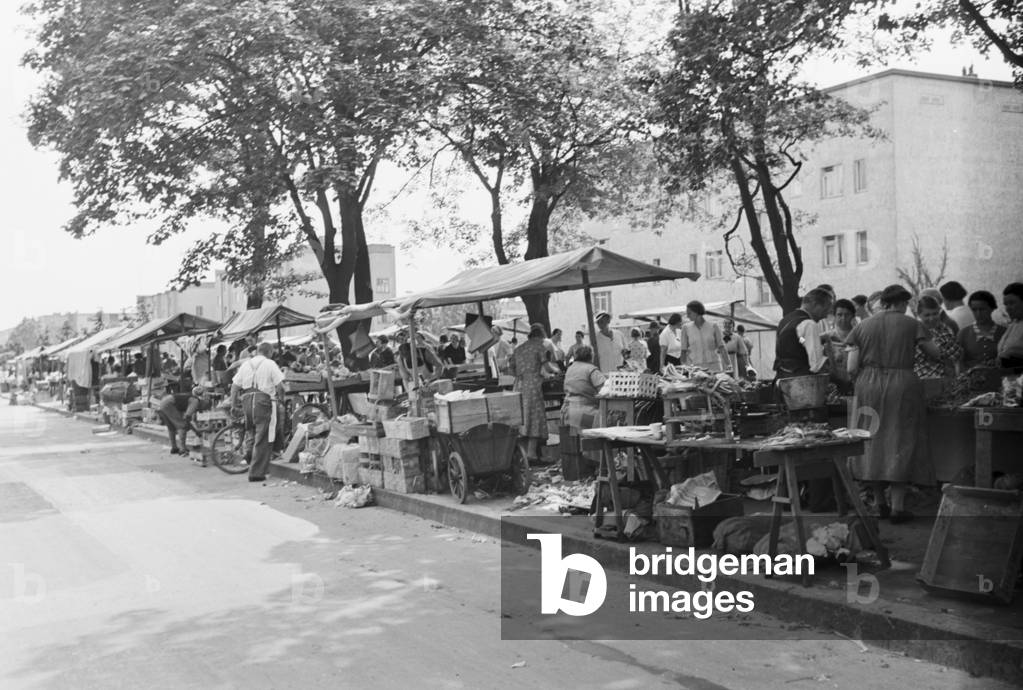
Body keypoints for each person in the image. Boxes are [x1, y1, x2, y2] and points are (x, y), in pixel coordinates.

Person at [846, 284, 942, 523]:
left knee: (872, 441)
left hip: (867, 385)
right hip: (902, 385)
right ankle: (898, 507)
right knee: (901, 440)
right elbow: (936, 354)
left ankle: (880, 504)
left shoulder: (862, 325)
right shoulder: (911, 324)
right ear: (902, 303)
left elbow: (850, 367)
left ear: (884, 302)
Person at [230, 342, 286, 482]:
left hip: (247, 401)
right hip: (263, 401)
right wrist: (281, 399)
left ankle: (251, 457)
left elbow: (234, 387)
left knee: (252, 432)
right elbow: (280, 386)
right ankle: (256, 473)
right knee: (263, 437)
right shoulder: (270, 364)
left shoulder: (245, 365)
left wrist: (233, 405)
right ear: (270, 352)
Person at [509, 323, 557, 464]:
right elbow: (547, 367)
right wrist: (557, 371)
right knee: (534, 417)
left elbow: (510, 368)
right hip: (533, 387)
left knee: (522, 418)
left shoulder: (519, 348)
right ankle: (531, 454)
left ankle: (523, 454)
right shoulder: (540, 346)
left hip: (518, 386)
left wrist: (522, 374)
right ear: (541, 336)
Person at [773, 289, 833, 379]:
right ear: (815, 304)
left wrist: (818, 338)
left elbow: (799, 340)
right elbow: (817, 364)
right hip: (802, 382)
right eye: (825, 310)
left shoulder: (785, 320)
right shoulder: (809, 324)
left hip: (782, 379)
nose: (825, 316)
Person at [560, 345, 608, 434]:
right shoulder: (591, 370)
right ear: (591, 356)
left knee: (576, 443)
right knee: (611, 423)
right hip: (585, 414)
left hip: (567, 413)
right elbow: (605, 390)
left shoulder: (570, 368)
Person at [914, 295, 961, 379]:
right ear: (919, 315)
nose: (931, 318)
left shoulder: (946, 330)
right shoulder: (912, 332)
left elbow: (956, 360)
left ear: (939, 312)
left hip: (944, 380)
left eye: (935, 314)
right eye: (927, 315)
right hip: (919, 380)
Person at [956, 290, 1006, 370]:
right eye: (974, 310)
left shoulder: (1004, 332)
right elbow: (959, 362)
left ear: (992, 308)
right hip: (971, 379)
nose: (978, 314)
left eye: (982, 309)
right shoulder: (963, 334)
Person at [680, 301, 728, 372]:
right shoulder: (685, 328)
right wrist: (683, 368)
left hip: (714, 366)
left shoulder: (713, 326)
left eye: (689, 313)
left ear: (696, 312)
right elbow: (683, 350)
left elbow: (721, 347)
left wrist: (729, 365)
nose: (687, 316)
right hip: (695, 368)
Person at [825, 298, 857, 393]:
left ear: (853, 316)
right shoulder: (825, 337)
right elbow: (804, 340)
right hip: (833, 387)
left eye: (847, 315)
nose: (843, 318)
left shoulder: (860, 336)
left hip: (856, 385)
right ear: (834, 316)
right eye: (839, 315)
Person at [998, 282, 1023, 369]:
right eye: (1006, 304)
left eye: (1012, 303)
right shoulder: (1014, 324)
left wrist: (1012, 352)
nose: (1008, 308)